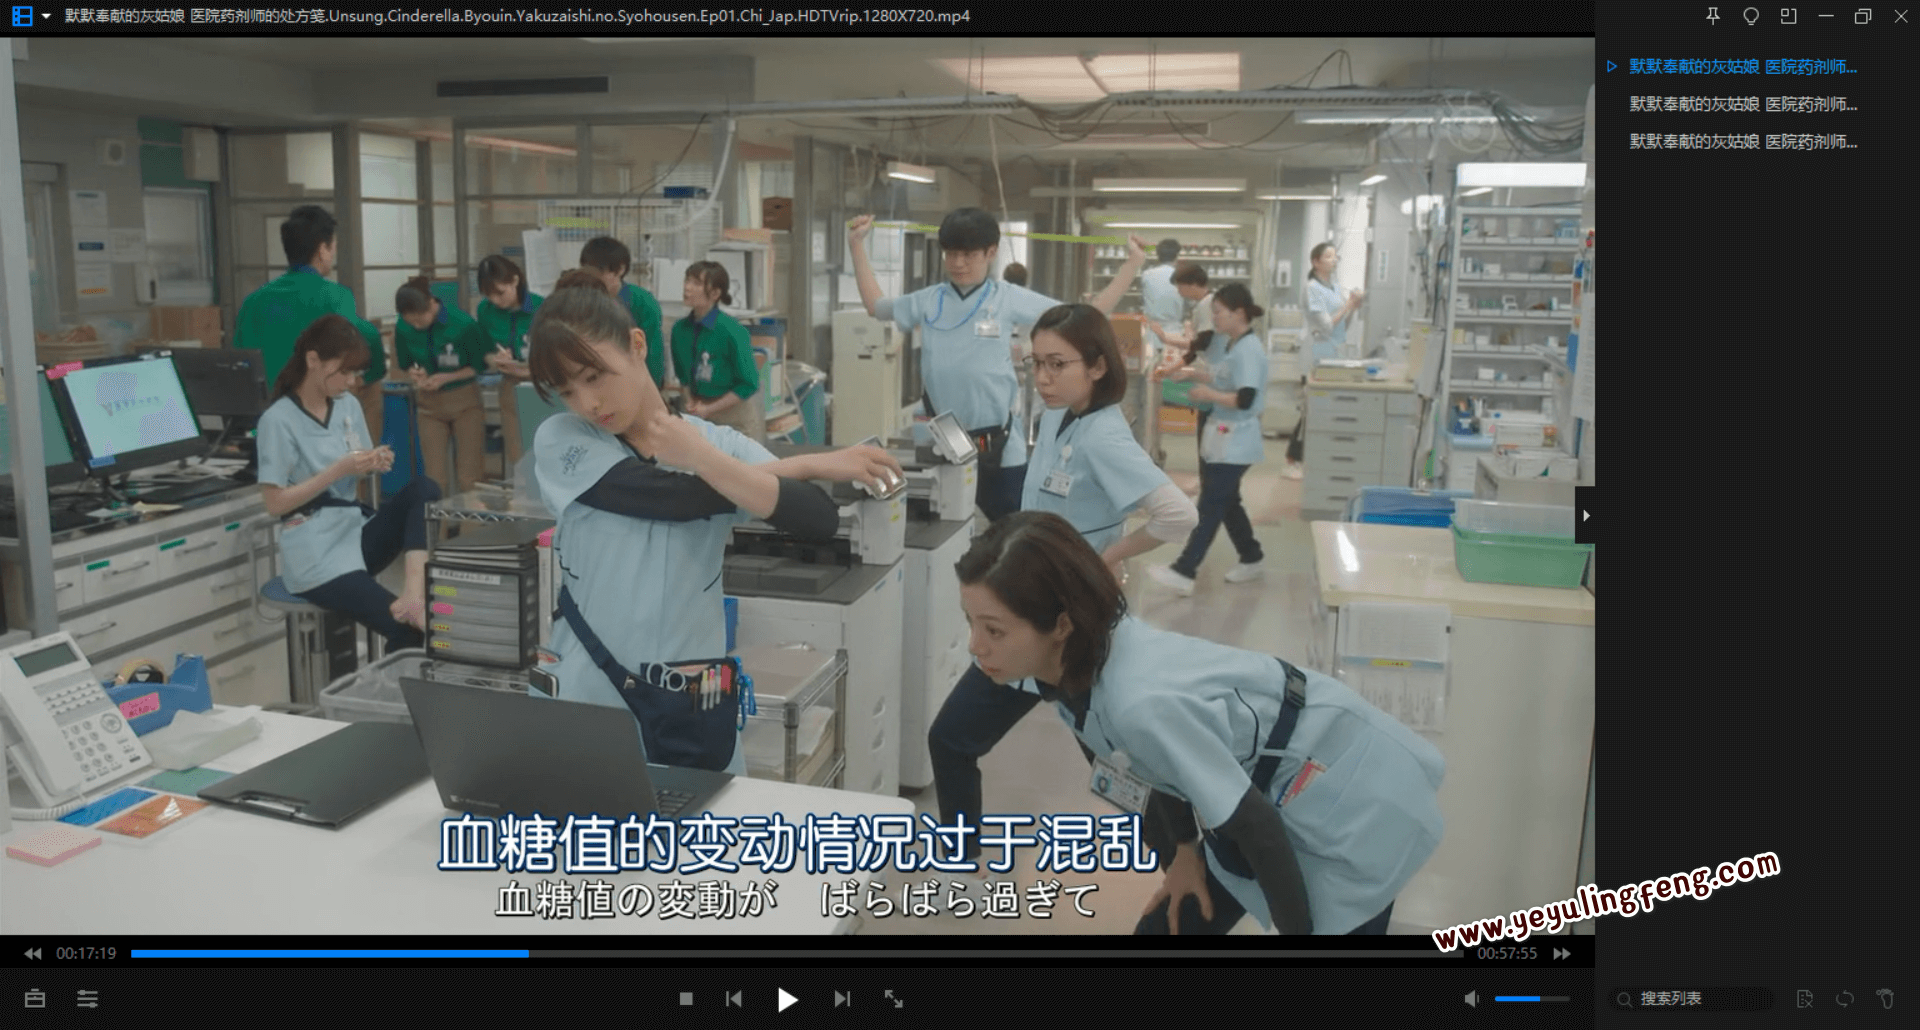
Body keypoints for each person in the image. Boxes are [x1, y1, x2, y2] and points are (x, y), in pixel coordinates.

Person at [956, 510, 1445, 934]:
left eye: (994, 630)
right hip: (1254, 799)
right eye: (971, 622)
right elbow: (1155, 763)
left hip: (1346, 795)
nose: (976, 647)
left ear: (1060, 625)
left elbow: (1259, 828)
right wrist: (1185, 853)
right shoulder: (1074, 670)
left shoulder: (1135, 699)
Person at [524, 287, 905, 773]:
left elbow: (816, 518)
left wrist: (704, 457)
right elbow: (670, 498)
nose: (588, 402)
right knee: (588, 821)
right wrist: (806, 463)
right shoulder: (565, 438)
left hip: (688, 703)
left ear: (637, 345)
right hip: (587, 692)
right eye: (568, 391)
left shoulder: (713, 443)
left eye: (594, 376)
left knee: (704, 821)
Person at [928, 304, 1198, 866]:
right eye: (1037, 364)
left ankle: (1186, 868)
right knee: (951, 738)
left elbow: (1179, 515)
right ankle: (960, 854)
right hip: (1027, 618)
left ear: (1097, 366)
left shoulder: (1105, 437)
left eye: (1058, 364)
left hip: (1075, 629)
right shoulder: (1057, 416)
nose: (1044, 378)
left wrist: (1107, 557)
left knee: (1121, 768)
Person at [849, 208, 1152, 521]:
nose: (958, 263)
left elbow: (1086, 315)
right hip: (939, 441)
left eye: (968, 255)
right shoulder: (927, 300)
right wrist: (857, 245)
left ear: (991, 253)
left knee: (1015, 529)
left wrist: (1131, 265)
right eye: (951, 254)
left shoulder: (1007, 297)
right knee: (936, 531)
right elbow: (876, 306)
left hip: (993, 442)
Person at [256, 314, 441, 652]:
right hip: (316, 553)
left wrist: (372, 462)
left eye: (355, 373)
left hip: (353, 535)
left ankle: (414, 592)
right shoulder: (278, 420)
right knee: (409, 633)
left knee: (425, 489)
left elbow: (358, 460)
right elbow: (275, 503)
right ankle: (384, 686)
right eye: (344, 372)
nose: (352, 382)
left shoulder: (347, 405)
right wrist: (337, 471)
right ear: (313, 360)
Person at [233, 205, 388, 491]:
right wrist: (371, 374)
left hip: (271, 421)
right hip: (322, 421)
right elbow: (362, 339)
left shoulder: (253, 302)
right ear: (322, 250)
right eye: (333, 247)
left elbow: (239, 365)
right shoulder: (335, 296)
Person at [1148, 284, 1269, 597]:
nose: (1213, 318)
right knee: (1227, 501)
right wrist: (1191, 374)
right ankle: (1252, 556)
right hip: (1224, 435)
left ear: (1238, 313)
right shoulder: (1233, 344)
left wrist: (1208, 395)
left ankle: (1184, 570)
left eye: (1218, 312)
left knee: (1212, 502)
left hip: (1238, 438)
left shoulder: (1249, 349)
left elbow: (1245, 398)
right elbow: (1223, 378)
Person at [393, 277, 489, 495]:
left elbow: (479, 366)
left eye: (419, 320)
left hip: (464, 402)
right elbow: (406, 363)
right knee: (434, 479)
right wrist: (415, 373)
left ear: (431, 305)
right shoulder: (404, 327)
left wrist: (447, 377)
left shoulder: (463, 324)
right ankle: (437, 519)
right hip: (429, 407)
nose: (416, 326)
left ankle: (471, 518)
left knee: (469, 476)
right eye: (410, 322)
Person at [671, 261, 764, 440]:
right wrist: (689, 401)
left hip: (733, 419)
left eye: (696, 283)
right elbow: (683, 377)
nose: (687, 287)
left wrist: (709, 409)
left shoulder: (732, 330)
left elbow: (749, 383)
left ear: (715, 293)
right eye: (687, 280)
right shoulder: (679, 330)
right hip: (696, 414)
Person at [1295, 243, 1365, 478]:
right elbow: (1325, 326)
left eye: (1336, 257)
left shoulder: (1335, 287)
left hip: (1332, 354)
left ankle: (1309, 458)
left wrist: (1353, 307)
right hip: (1316, 352)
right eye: (1328, 256)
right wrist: (1348, 305)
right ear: (1316, 262)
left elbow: (1343, 323)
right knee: (1311, 410)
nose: (1334, 260)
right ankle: (1295, 458)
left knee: (1322, 410)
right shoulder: (1312, 289)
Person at [475, 255, 544, 472]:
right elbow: (484, 351)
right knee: (518, 457)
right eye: (489, 295)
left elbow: (557, 355)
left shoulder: (542, 308)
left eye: (500, 293)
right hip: (510, 386)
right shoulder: (486, 311)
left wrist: (529, 370)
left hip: (542, 386)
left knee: (544, 451)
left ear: (515, 280)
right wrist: (496, 360)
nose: (496, 301)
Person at [577, 236, 667, 389]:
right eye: (588, 271)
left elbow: (652, 354)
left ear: (620, 269)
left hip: (634, 385)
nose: (593, 278)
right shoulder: (579, 302)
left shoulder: (643, 303)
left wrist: (651, 390)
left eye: (600, 272)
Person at [1139, 239, 1186, 346]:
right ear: (1177, 256)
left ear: (1158, 256)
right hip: (1175, 331)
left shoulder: (1146, 274)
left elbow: (1143, 299)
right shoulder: (1182, 274)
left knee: (1151, 356)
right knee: (1171, 355)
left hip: (1152, 330)